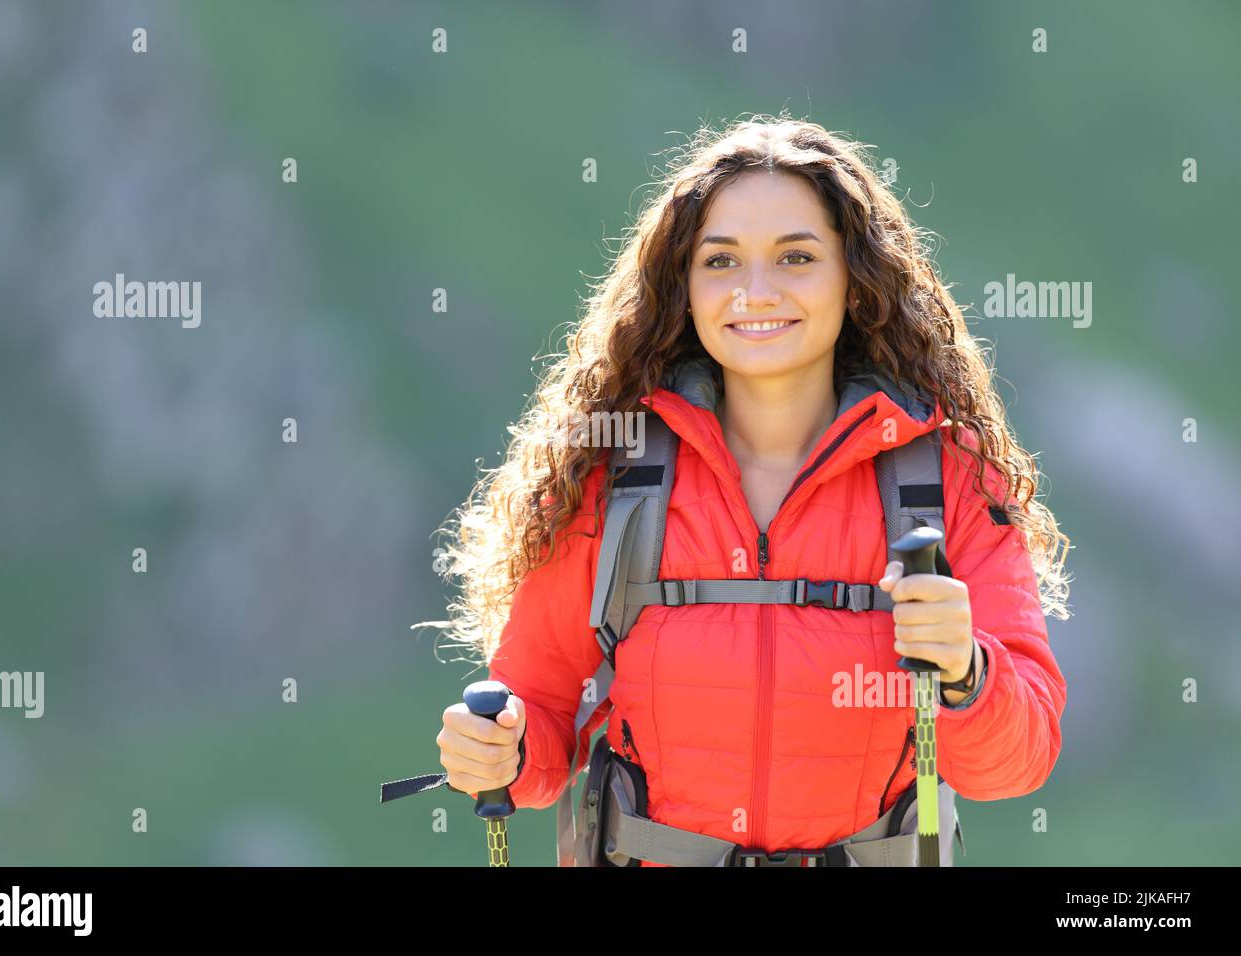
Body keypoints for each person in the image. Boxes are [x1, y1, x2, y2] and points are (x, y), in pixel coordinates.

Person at [426, 115, 1071, 866]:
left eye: (796, 257)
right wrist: (495, 747)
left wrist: (967, 670)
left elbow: (1017, 761)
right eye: (721, 261)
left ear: (854, 280)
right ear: (684, 286)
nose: (755, 292)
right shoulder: (614, 473)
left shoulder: (943, 477)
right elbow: (539, 719)